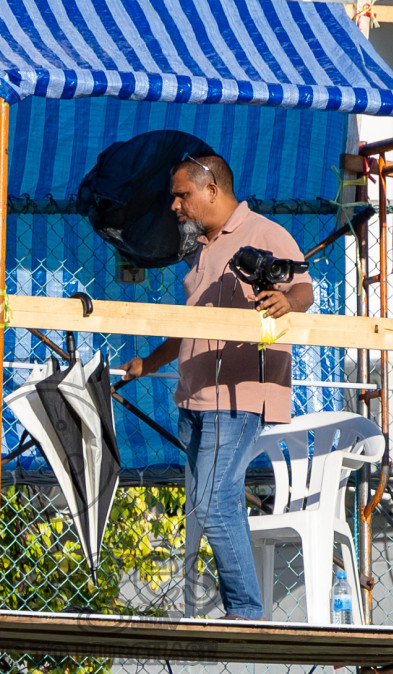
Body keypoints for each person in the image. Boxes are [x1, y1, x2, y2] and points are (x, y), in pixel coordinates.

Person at [121, 153, 313, 620]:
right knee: (206, 502)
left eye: (182, 194)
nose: (175, 206)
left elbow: (305, 288)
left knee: (213, 499)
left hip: (238, 394)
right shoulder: (203, 247)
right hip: (196, 399)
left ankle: (247, 610)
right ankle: (240, 606)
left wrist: (286, 300)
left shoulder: (263, 233)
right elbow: (192, 324)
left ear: (212, 189)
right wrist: (151, 361)